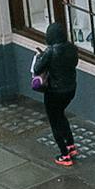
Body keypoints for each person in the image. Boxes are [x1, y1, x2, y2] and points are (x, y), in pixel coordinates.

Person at [31, 21, 80, 166]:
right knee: (61, 114)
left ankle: (64, 154)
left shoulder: (50, 52)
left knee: (54, 120)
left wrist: (40, 56)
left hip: (54, 92)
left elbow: (37, 69)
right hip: (70, 89)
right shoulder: (72, 48)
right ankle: (71, 145)